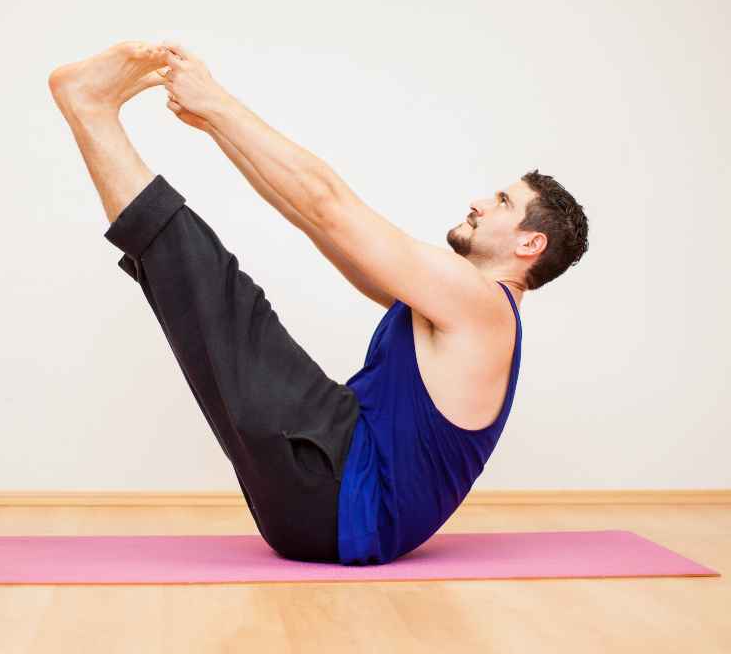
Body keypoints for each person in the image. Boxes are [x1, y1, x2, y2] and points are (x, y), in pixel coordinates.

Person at [47, 41, 590, 564]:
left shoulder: (482, 305)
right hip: (322, 509)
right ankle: (92, 108)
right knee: (199, 287)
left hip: (335, 496)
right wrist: (212, 124)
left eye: (502, 202)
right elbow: (313, 216)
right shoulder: (458, 313)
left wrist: (216, 101)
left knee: (211, 281)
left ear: (529, 244)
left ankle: (89, 106)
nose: (478, 201)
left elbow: (328, 204)